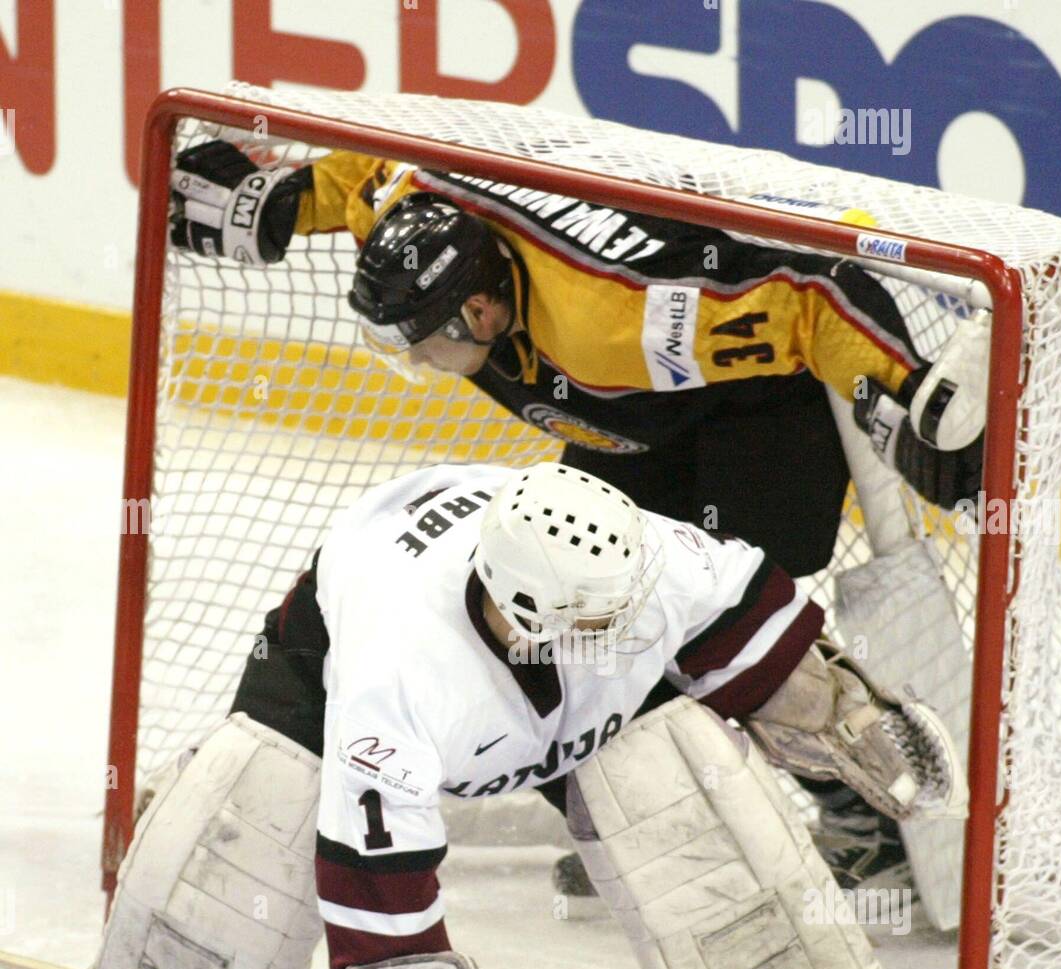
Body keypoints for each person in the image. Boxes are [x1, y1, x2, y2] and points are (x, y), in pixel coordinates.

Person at [53, 463, 960, 969]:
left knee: (677, 781)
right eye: (612, 616)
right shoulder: (396, 672)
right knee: (263, 812)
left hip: (565, 689)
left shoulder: (639, 567)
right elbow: (377, 873)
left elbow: (746, 622)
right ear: (529, 617)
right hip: (322, 671)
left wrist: (841, 710)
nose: (637, 618)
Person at [168, 138, 986, 894]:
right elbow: (363, 183)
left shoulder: (613, 317)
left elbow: (812, 294)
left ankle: (862, 826)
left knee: (717, 620)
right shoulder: (416, 219)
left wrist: (903, 394)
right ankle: (656, 819)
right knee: (586, 603)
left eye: (424, 340)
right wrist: (279, 199)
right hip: (632, 416)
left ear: (482, 311)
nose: (417, 360)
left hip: (756, 417)